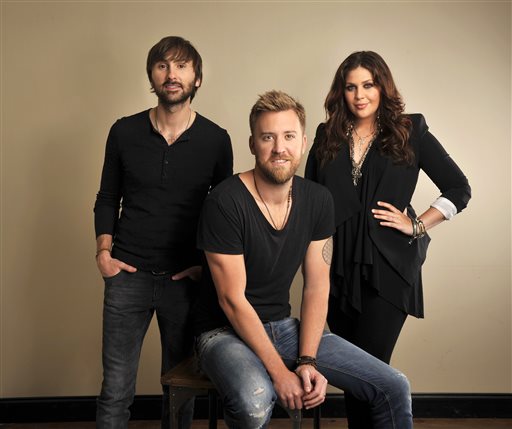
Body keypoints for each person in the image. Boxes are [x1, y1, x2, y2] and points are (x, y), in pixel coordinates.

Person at [193, 90, 413, 429]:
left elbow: (316, 287)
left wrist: (307, 360)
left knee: (393, 386)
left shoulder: (318, 200)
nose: (279, 148)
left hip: (282, 327)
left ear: (304, 142)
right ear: (252, 144)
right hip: (222, 333)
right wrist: (280, 373)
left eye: (289, 136)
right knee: (254, 402)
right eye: (268, 137)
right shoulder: (225, 202)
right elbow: (232, 300)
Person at [305, 51, 471, 428]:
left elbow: (459, 188)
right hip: (336, 270)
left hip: (388, 268)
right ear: (341, 92)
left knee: (372, 369)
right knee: (354, 377)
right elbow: (310, 201)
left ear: (382, 87)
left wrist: (417, 225)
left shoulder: (410, 129)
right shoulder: (326, 135)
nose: (359, 95)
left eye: (368, 85)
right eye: (351, 87)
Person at [93, 36, 233, 429]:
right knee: (115, 391)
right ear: (152, 76)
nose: (171, 74)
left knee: (180, 393)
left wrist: (205, 267)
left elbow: (222, 213)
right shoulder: (123, 132)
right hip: (127, 276)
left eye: (181, 66)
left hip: (185, 282)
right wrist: (104, 253)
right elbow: (107, 197)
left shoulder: (216, 139)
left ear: (197, 78)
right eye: (162, 66)